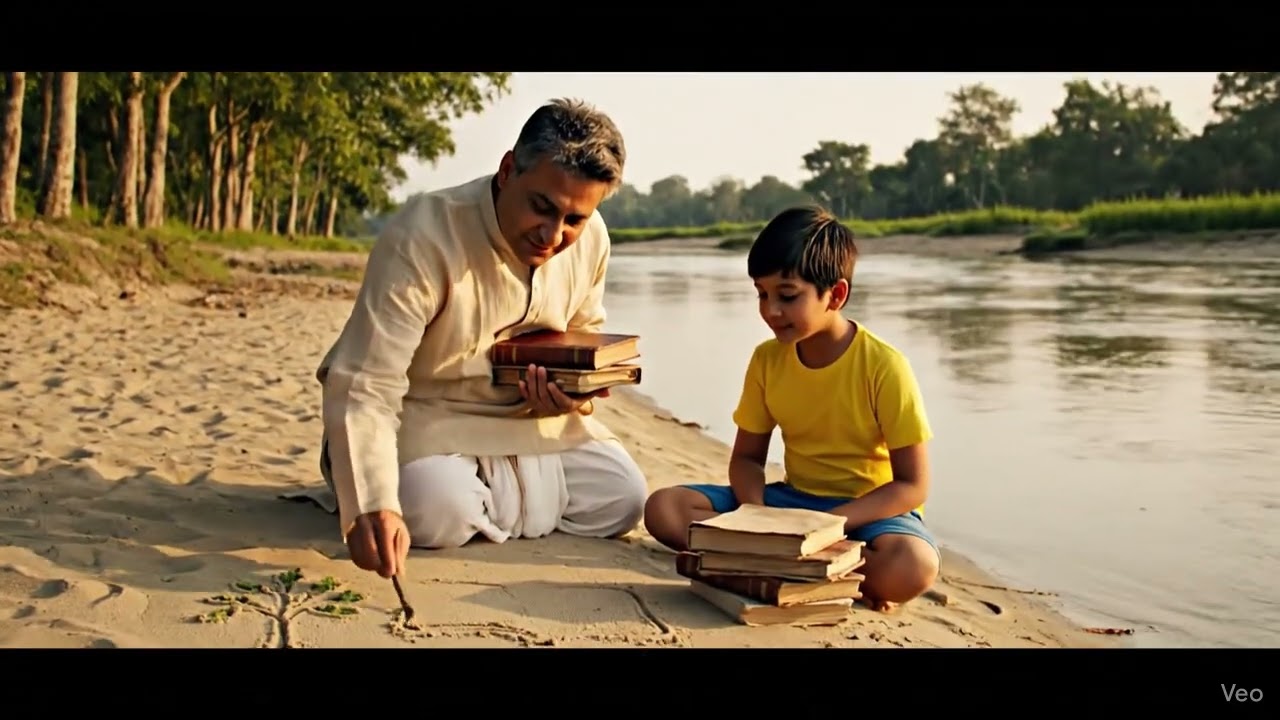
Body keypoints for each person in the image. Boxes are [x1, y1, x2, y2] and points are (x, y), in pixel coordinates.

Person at [316, 98, 648, 579]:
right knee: (432, 506)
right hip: (426, 417)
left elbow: (584, 337)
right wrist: (371, 502)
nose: (553, 235)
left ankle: (494, 498)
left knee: (623, 498)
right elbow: (369, 380)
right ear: (509, 169)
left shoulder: (593, 238)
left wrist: (571, 399)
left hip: (533, 422)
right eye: (542, 207)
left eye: (574, 220)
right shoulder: (424, 234)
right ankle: (498, 497)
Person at [643, 205, 940, 611]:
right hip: (791, 503)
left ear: (835, 295)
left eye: (786, 296)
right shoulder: (767, 360)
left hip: (866, 517)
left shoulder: (884, 367)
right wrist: (757, 516)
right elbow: (747, 459)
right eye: (761, 295)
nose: (770, 311)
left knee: (913, 566)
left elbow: (912, 485)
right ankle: (809, 568)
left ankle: (771, 563)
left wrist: (830, 526)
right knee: (664, 508)